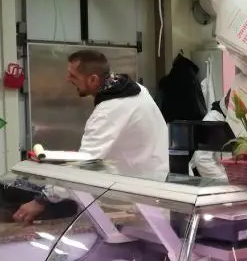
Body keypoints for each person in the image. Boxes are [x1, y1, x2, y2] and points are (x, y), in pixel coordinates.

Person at [13, 50, 169, 223]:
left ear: (93, 79)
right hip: (145, 190)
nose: (68, 79)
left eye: (73, 75)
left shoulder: (109, 110)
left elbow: (84, 168)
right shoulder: (134, 89)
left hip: (133, 205)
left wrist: (41, 200)